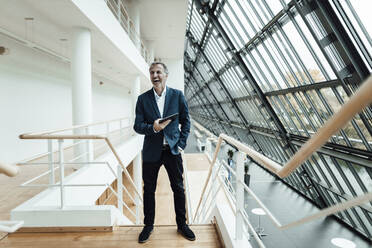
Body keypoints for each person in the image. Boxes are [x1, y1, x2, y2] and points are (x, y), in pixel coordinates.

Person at [133, 62, 195, 243]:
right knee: (149, 190)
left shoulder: (177, 95)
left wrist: (182, 143)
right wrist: (153, 127)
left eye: (158, 72)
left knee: (178, 188)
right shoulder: (142, 99)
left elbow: (186, 121)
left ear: (166, 75)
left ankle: (182, 225)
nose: (155, 75)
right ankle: (148, 226)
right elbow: (137, 126)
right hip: (152, 151)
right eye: (152, 72)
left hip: (172, 150)